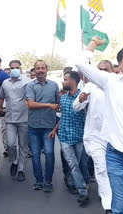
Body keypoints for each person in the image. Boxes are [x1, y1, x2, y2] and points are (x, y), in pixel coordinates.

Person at [76, 37, 123, 214]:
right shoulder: (110, 82)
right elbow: (80, 63)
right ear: (120, 64)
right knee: (121, 208)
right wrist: (93, 42)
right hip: (118, 156)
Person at [73, 61, 113, 212]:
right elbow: (75, 107)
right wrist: (81, 100)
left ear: (112, 71)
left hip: (115, 136)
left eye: (106, 69)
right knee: (101, 168)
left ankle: (115, 195)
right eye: (100, 69)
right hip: (95, 136)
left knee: (113, 170)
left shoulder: (117, 86)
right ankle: (108, 204)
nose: (102, 72)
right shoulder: (90, 86)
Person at [49, 70, 89, 206]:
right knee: (72, 164)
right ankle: (83, 191)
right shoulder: (64, 98)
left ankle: (71, 181)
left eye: (65, 79)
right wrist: (55, 129)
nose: (63, 81)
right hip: (65, 137)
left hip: (79, 136)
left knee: (77, 163)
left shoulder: (83, 97)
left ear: (72, 81)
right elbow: (64, 116)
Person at [0, 60, 30, 182]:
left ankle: (21, 170)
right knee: (10, 144)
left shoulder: (28, 82)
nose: (14, 69)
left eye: (17, 67)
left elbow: (32, 98)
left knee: (23, 146)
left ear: (20, 68)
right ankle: (14, 161)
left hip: (24, 118)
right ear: (9, 69)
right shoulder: (5, 83)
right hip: (9, 118)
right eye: (12, 67)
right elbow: (1, 97)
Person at [26, 60, 60, 192]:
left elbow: (58, 104)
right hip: (33, 126)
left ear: (47, 70)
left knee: (50, 154)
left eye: (42, 68)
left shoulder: (54, 85)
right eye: (37, 68)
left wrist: (59, 102)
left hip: (49, 126)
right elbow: (31, 104)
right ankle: (39, 181)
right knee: (35, 155)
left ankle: (48, 181)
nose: (40, 70)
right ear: (34, 71)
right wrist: (48, 105)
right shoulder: (30, 86)